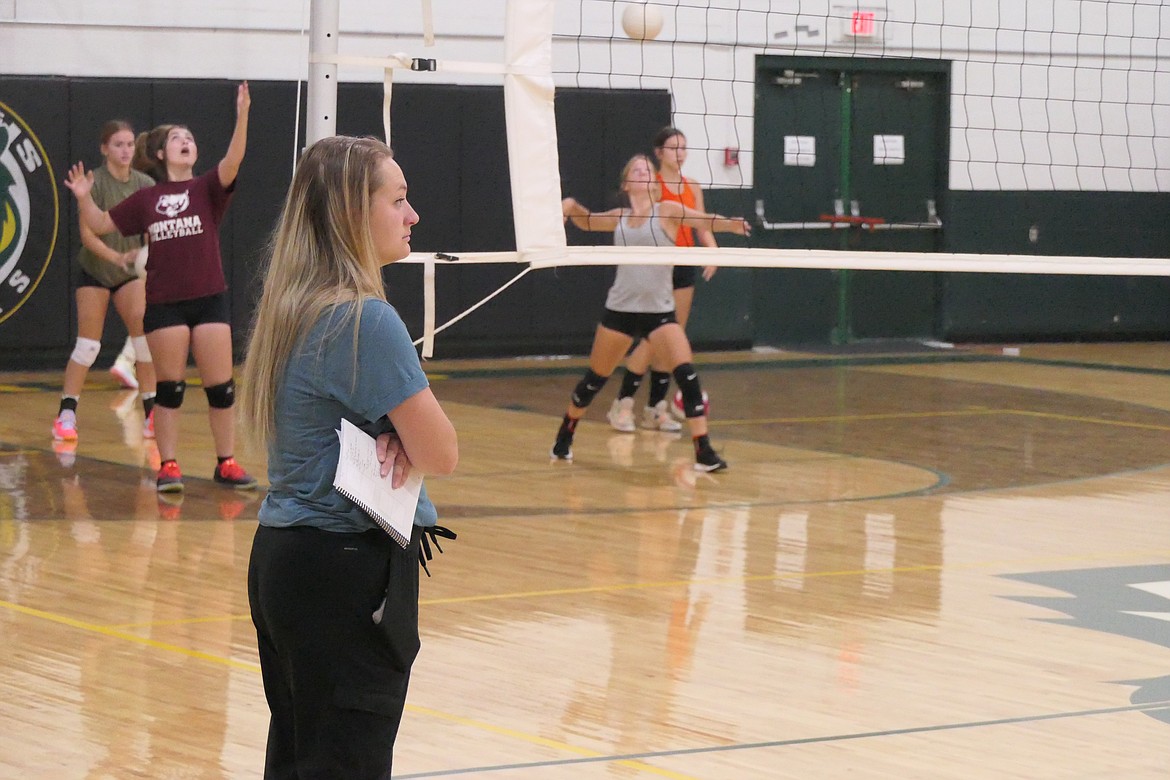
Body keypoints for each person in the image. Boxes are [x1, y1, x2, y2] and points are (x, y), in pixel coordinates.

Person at [239, 135, 458, 779]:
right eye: (398, 200)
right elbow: (441, 452)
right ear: (351, 215)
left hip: (284, 561)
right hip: (343, 571)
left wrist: (397, 430)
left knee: (297, 760)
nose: (412, 215)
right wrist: (407, 436)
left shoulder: (291, 306)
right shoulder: (363, 319)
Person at [62, 83, 257, 493]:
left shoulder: (207, 188)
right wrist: (83, 197)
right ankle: (169, 465)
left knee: (221, 389)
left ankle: (227, 462)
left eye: (189, 138)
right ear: (162, 154)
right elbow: (99, 225)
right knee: (170, 389)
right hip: (166, 304)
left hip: (209, 299)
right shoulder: (146, 199)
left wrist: (242, 115)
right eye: (176, 139)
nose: (185, 142)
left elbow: (234, 160)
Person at [553, 153, 750, 472]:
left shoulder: (667, 212)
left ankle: (704, 451)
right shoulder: (619, 216)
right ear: (627, 182)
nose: (645, 171)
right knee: (594, 379)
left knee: (687, 375)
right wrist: (571, 205)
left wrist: (730, 225)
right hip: (620, 310)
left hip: (658, 312)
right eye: (637, 169)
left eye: (648, 169)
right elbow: (587, 221)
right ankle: (565, 435)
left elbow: (702, 219)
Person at [608, 127, 719, 434]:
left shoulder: (692, 186)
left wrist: (712, 251)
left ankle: (656, 408)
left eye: (684, 147)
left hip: (683, 264)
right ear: (659, 153)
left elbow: (702, 224)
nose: (680, 153)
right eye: (673, 148)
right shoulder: (650, 185)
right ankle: (623, 403)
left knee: (673, 339)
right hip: (656, 267)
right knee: (650, 338)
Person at [52, 120, 157, 444]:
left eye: (129, 144)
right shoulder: (94, 182)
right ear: (104, 149)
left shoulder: (144, 183)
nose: (125, 150)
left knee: (144, 341)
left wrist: (145, 251)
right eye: (118, 145)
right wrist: (116, 257)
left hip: (129, 275)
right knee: (88, 345)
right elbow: (88, 234)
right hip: (96, 271)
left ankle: (152, 413)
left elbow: (153, 227)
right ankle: (66, 414)